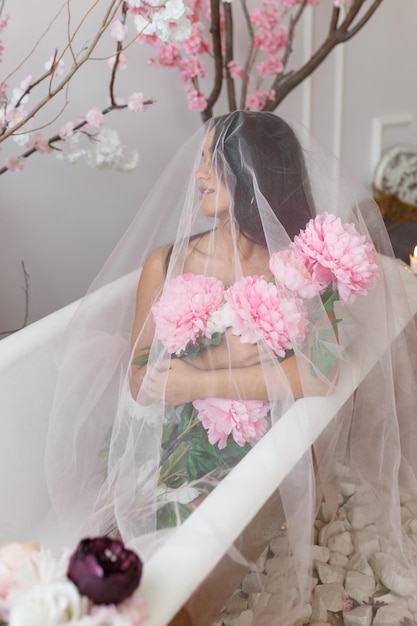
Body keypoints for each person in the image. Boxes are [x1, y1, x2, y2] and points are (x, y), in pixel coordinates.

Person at [44, 111, 417, 625]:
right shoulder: (166, 263)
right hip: (170, 439)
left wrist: (202, 376)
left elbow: (317, 376)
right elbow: (139, 378)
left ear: (252, 174)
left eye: (212, 162)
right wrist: (211, 366)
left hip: (247, 447)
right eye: (199, 161)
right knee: (110, 557)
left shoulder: (298, 267)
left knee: (171, 570)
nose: (197, 176)